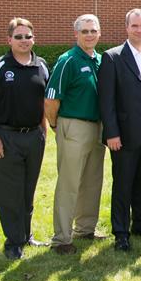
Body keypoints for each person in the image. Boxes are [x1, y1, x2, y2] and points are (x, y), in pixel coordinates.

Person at [0, 17, 49, 260]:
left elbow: (43, 103)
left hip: (33, 137)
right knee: (10, 192)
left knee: (28, 190)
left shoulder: (41, 66)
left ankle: (26, 235)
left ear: (33, 38)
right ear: (9, 39)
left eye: (27, 36)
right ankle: (13, 241)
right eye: (18, 37)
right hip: (5, 137)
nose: (23, 41)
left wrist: (43, 131)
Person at [98, 8, 141, 252]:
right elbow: (106, 101)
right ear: (126, 28)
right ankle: (121, 232)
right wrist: (111, 133)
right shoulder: (112, 57)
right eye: (135, 26)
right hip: (124, 133)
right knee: (123, 183)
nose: (140, 30)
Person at [45, 14, 106, 255]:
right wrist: (55, 126)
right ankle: (61, 238)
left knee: (92, 181)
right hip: (74, 125)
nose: (90, 35)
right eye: (85, 31)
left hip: (97, 127)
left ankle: (85, 229)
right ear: (76, 34)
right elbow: (51, 99)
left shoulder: (101, 60)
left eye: (93, 30)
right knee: (69, 183)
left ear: (100, 33)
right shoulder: (67, 60)